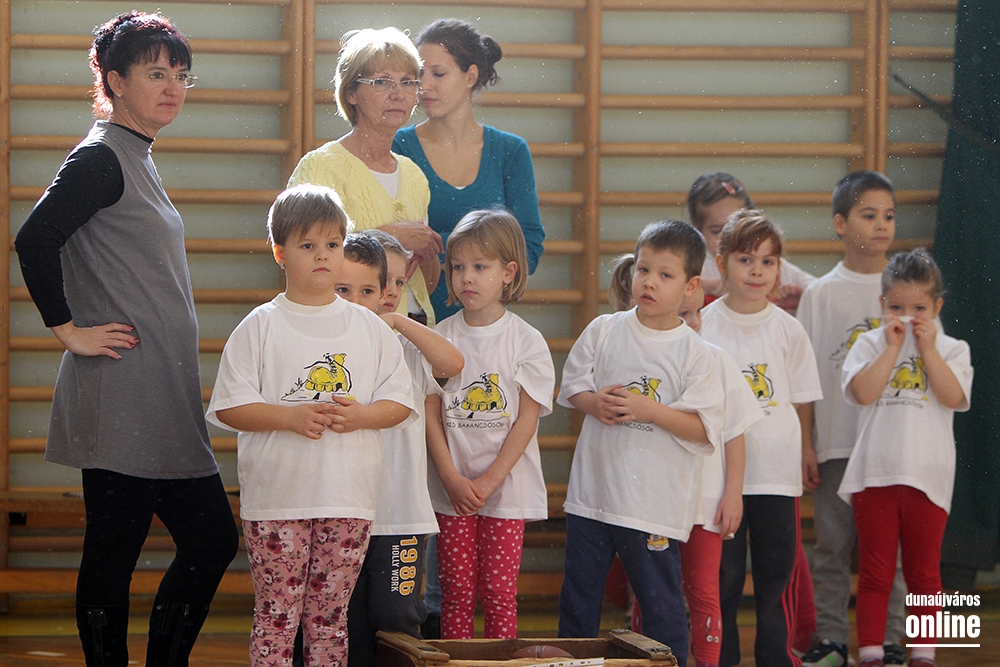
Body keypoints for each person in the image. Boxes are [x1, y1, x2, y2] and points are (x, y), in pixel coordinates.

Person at [13, 11, 239, 666]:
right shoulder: (101, 157)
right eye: (155, 73)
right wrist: (69, 331)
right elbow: (34, 238)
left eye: (181, 75)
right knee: (116, 552)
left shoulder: (135, 154)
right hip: (121, 394)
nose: (172, 87)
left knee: (209, 540)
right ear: (114, 80)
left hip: (157, 397)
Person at [206, 185, 416, 667]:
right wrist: (290, 417)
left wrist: (361, 416)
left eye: (332, 244)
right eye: (308, 245)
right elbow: (231, 407)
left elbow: (399, 404)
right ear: (279, 252)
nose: (323, 255)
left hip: (347, 499)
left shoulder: (370, 328)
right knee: (276, 618)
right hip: (276, 501)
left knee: (329, 620)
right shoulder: (259, 326)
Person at [557, 219, 724, 667]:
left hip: (652, 506)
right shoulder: (603, 329)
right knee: (578, 601)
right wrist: (594, 403)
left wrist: (650, 410)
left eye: (665, 275)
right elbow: (573, 388)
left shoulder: (696, 353)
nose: (649, 282)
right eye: (644, 269)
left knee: (661, 606)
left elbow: (703, 428)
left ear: (690, 287)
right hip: (592, 498)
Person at [699, 210, 823, 667]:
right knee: (723, 578)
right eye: (746, 259)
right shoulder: (704, 326)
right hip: (720, 479)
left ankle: (777, 658)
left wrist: (806, 449)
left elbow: (802, 399)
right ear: (722, 261)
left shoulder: (789, 329)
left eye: (768, 262)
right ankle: (722, 658)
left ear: (779, 268)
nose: (757, 272)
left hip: (776, 474)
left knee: (777, 576)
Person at [839, 249, 973, 667]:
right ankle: (871, 653)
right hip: (874, 475)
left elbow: (953, 396)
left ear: (937, 307)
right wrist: (892, 348)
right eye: (896, 307)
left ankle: (923, 654)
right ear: (882, 303)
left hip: (928, 478)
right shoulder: (868, 343)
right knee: (875, 572)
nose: (907, 317)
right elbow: (863, 393)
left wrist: (928, 350)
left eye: (919, 309)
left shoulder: (953, 348)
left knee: (924, 573)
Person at [619, 276, 761, 667]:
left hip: (705, 502)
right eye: (685, 313)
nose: (695, 321)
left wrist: (733, 493)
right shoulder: (639, 358)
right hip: (653, 502)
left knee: (703, 591)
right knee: (649, 592)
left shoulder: (717, 359)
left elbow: (734, 433)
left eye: (698, 312)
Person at [797, 171, 909, 667]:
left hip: (892, 450)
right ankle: (832, 641)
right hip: (837, 446)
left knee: (892, 553)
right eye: (869, 215)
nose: (882, 225)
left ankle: (891, 641)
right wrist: (807, 443)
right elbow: (803, 379)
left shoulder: (907, 291)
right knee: (832, 548)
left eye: (889, 216)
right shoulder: (820, 294)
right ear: (840, 224)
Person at [426, 210, 555, 638]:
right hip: (453, 490)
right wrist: (451, 478)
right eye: (457, 267)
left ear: (508, 272)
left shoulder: (526, 341)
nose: (466, 278)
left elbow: (526, 420)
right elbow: (431, 414)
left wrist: (491, 480)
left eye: (480, 267)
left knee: (499, 593)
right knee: (456, 593)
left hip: (506, 491)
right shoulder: (440, 336)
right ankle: (457, 663)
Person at [341, 230, 464, 666]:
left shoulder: (409, 346)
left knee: (396, 618)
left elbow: (453, 363)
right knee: (347, 622)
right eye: (381, 282)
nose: (389, 291)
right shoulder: (331, 345)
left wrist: (399, 323)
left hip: (400, 515)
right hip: (344, 513)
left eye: (397, 282)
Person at [392, 18, 545, 322]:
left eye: (438, 74)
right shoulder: (400, 146)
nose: (424, 86)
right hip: (414, 320)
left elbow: (527, 247)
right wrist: (487, 251)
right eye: (419, 75)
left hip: (485, 325)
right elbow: (396, 245)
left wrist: (437, 246)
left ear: (470, 76)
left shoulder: (510, 151)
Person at [288, 27, 441, 326]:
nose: (398, 93)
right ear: (351, 93)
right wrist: (388, 237)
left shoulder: (414, 175)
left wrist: (428, 253)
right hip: (348, 332)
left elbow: (424, 282)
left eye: (408, 82)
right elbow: (302, 262)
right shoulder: (320, 167)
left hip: (413, 330)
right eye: (382, 81)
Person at [687, 172, 815, 312]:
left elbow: (817, 289)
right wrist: (705, 286)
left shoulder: (767, 262)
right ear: (697, 230)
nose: (726, 237)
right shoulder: (693, 265)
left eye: (738, 228)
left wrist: (802, 299)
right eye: (717, 231)